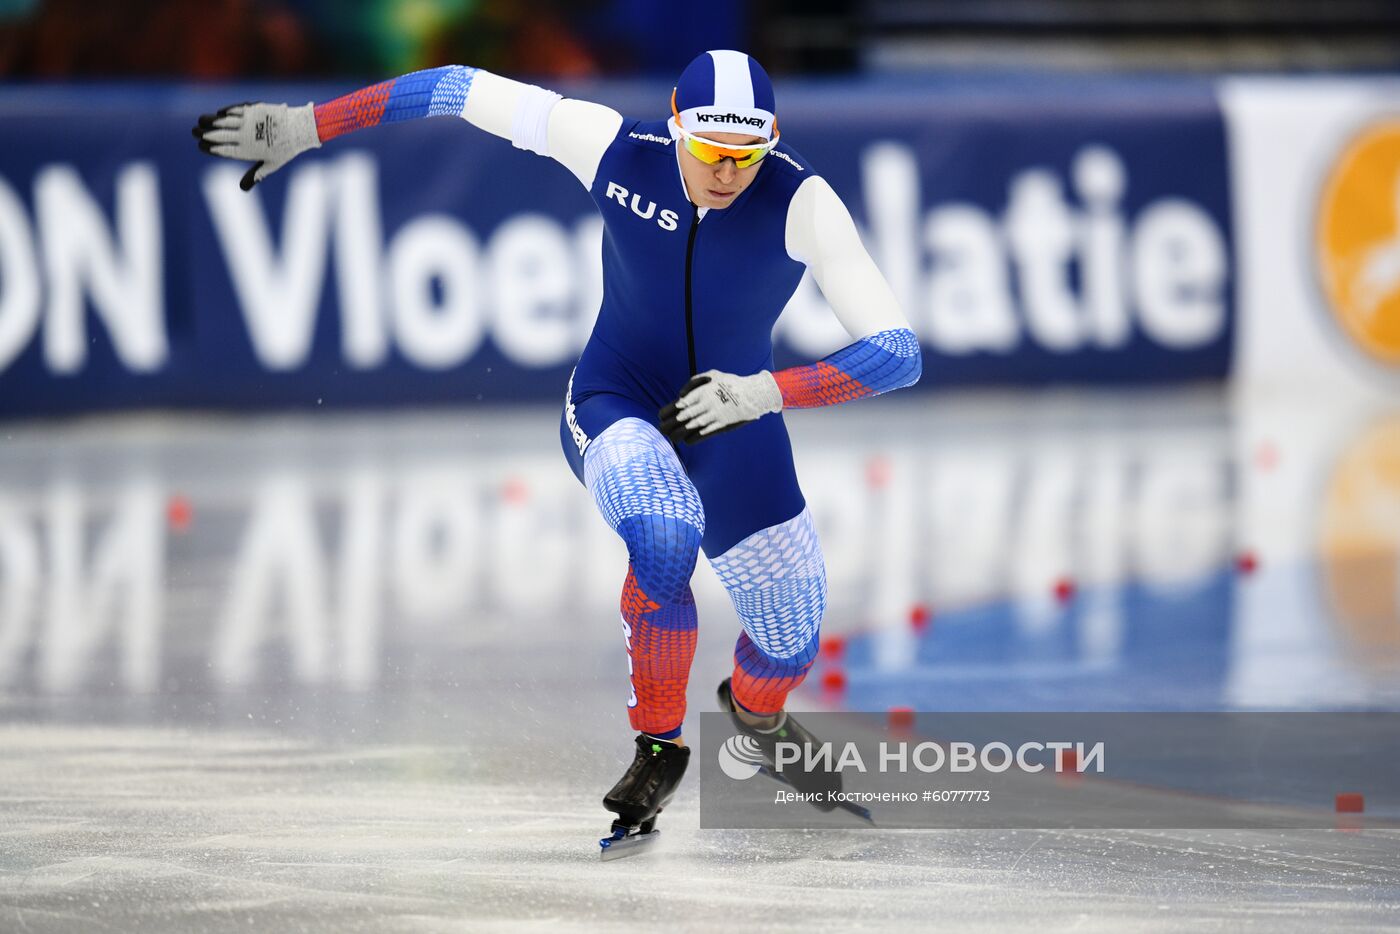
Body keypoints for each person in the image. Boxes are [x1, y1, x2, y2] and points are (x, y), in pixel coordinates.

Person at [194, 49, 922, 857]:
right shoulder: (611, 147)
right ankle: (659, 747)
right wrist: (306, 125)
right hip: (616, 398)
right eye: (712, 153)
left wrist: (762, 392)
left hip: (736, 417)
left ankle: (755, 719)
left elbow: (898, 352)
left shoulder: (802, 201)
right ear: (678, 130)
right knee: (664, 534)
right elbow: (454, 87)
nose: (728, 173)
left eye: (746, 156)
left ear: (770, 140)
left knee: (788, 638)